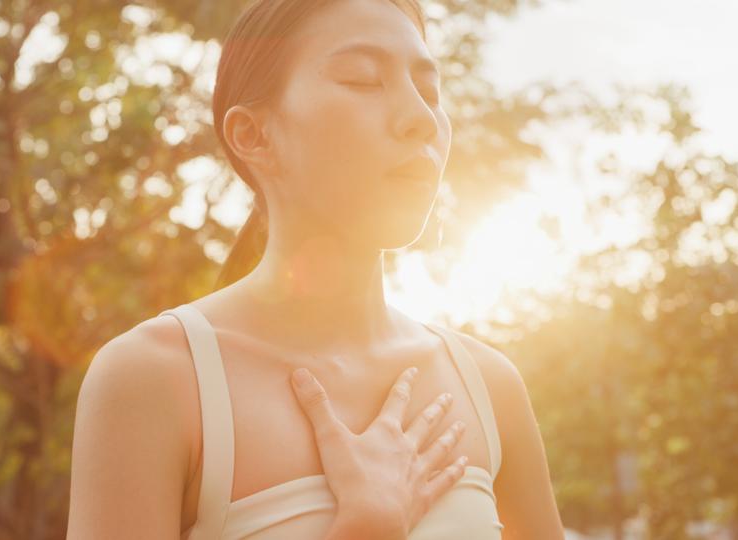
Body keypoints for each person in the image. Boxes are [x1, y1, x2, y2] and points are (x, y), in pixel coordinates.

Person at [66, 0, 565, 537]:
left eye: (430, 92)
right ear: (254, 136)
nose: (422, 118)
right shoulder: (152, 381)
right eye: (363, 80)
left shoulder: (489, 386)